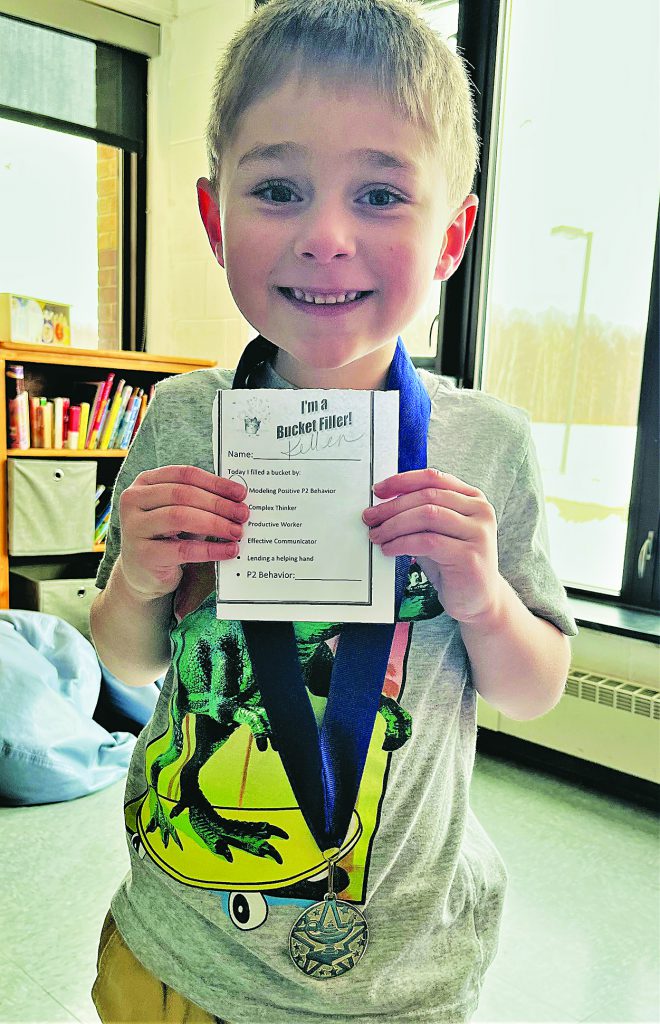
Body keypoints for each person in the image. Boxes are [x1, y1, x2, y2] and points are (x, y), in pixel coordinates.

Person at [89, 1, 578, 1021]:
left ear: (452, 236)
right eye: (277, 189)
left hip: (396, 973)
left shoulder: (488, 444)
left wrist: (482, 596)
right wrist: (137, 577)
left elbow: (534, 692)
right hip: (180, 944)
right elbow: (129, 661)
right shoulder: (183, 416)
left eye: (381, 194)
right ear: (215, 218)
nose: (324, 237)